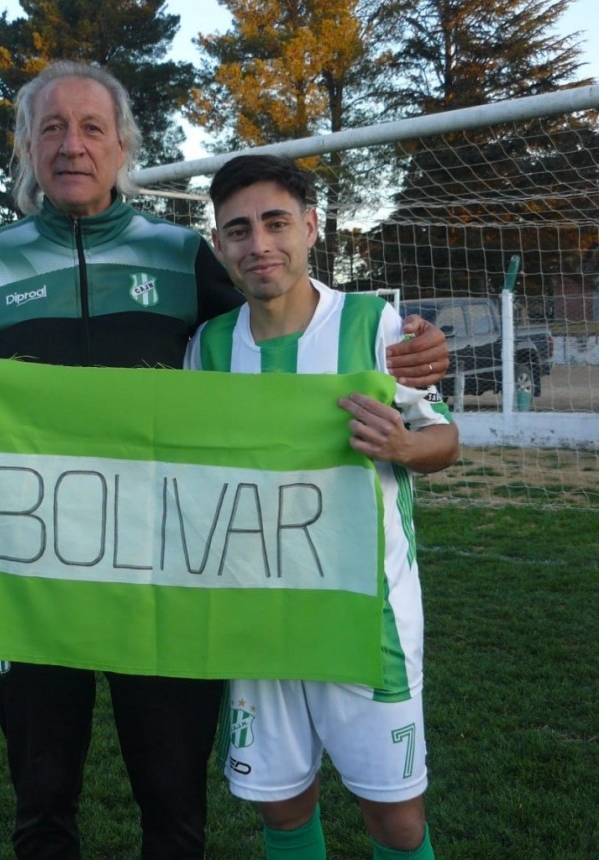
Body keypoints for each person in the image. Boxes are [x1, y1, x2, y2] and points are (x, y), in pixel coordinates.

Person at [0, 62, 449, 859]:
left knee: (174, 802)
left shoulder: (180, 255)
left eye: (92, 128)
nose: (73, 146)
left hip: (170, 573)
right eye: (52, 129)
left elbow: (277, 311)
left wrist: (404, 350)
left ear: (123, 146)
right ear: (29, 150)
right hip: (32, 572)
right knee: (42, 799)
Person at [185, 154, 459, 860]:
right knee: (281, 812)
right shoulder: (208, 347)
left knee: (395, 822)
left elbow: (444, 437)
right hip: (256, 619)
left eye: (277, 223)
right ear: (220, 246)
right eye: (239, 230)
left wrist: (402, 447)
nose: (259, 244)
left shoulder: (373, 324)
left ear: (310, 228)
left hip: (366, 621)